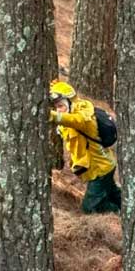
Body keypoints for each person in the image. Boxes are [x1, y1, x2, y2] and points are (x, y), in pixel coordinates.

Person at [49, 80, 121, 214]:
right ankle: (128, 208)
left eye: (60, 106)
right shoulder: (73, 112)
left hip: (100, 170)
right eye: (55, 107)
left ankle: (117, 213)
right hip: (100, 167)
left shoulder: (83, 117)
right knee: (115, 194)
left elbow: (75, 121)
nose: (58, 110)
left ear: (70, 103)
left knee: (89, 208)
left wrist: (50, 115)